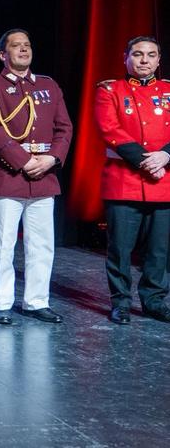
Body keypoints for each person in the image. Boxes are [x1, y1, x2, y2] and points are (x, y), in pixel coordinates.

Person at [0, 29, 72, 325]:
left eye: (27, 45)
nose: (23, 49)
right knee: (3, 244)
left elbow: (64, 127)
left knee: (42, 244)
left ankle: (36, 301)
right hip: (8, 175)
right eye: (16, 46)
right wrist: (24, 160)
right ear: (2, 55)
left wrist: (52, 158)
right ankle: (1, 302)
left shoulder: (47, 85)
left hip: (44, 173)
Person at [94, 35, 170, 324]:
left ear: (159, 60)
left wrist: (165, 156)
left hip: (164, 181)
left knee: (159, 250)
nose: (144, 60)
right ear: (125, 58)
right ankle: (121, 302)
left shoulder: (168, 90)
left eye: (151, 55)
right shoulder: (110, 90)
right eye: (137, 54)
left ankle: (154, 301)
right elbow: (109, 129)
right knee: (120, 249)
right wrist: (148, 162)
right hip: (124, 181)